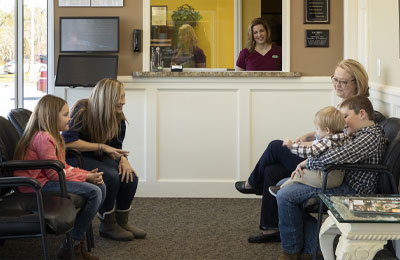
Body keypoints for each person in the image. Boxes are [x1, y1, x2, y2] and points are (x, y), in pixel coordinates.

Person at [234, 59, 372, 243]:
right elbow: (332, 135)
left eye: (343, 81)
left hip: (332, 172)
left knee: (276, 146)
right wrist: (309, 137)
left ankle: (252, 183)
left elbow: (340, 145)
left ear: (357, 82)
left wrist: (307, 153)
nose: (337, 85)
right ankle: (270, 227)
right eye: (335, 79)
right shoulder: (344, 106)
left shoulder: (358, 110)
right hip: (325, 163)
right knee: (272, 170)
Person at [277, 95, 386, 259]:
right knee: (282, 185)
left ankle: (291, 251)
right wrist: (305, 163)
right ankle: (312, 247)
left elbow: (333, 157)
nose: (343, 122)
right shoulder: (356, 133)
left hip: (353, 190)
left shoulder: (370, 136)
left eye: (345, 116)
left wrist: (307, 163)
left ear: (362, 114)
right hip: (339, 181)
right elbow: (329, 153)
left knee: (285, 195)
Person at [13, 94, 105, 260]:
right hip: (35, 185)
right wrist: (86, 178)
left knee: (100, 187)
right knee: (95, 192)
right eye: (65, 114)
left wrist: (88, 174)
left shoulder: (54, 137)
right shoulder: (43, 137)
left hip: (47, 180)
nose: (69, 119)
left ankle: (77, 243)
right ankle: (72, 245)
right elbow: (55, 173)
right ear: (51, 116)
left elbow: (63, 167)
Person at [62, 78, 147, 241]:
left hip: (98, 156)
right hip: (75, 158)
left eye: (124, 96)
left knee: (130, 177)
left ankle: (122, 222)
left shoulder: (118, 117)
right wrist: (101, 147)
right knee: (110, 176)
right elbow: (68, 142)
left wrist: (123, 160)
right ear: (107, 97)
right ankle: (107, 224)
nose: (124, 102)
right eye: (120, 97)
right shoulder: (82, 109)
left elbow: (115, 147)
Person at [269, 106, 349, 195]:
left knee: (299, 175)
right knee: (301, 173)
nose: (316, 133)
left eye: (317, 129)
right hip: (336, 177)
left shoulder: (328, 142)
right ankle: (282, 187)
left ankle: (280, 189)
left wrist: (291, 146)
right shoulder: (343, 138)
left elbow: (310, 151)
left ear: (327, 130)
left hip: (327, 177)